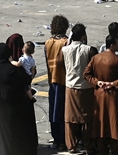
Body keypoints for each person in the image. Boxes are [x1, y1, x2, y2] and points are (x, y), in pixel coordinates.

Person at [0, 38, 38, 155]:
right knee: (14, 130)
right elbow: (26, 80)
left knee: (2, 130)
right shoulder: (12, 68)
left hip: (0, 103)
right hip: (14, 104)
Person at [86, 35, 118, 155]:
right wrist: (113, 84)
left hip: (99, 95)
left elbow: (86, 74)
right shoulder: (117, 60)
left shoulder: (96, 58)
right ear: (112, 45)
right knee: (115, 124)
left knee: (101, 125)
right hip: (114, 96)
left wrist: (97, 82)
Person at [61, 24, 96, 155]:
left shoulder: (64, 50)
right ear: (83, 36)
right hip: (86, 87)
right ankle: (88, 145)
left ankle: (71, 145)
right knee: (86, 118)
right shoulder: (89, 50)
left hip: (70, 87)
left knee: (70, 118)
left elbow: (60, 63)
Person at [44, 17, 69, 152]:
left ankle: (56, 138)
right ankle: (63, 139)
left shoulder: (48, 42)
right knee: (63, 111)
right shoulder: (66, 42)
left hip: (52, 79)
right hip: (64, 80)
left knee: (53, 111)